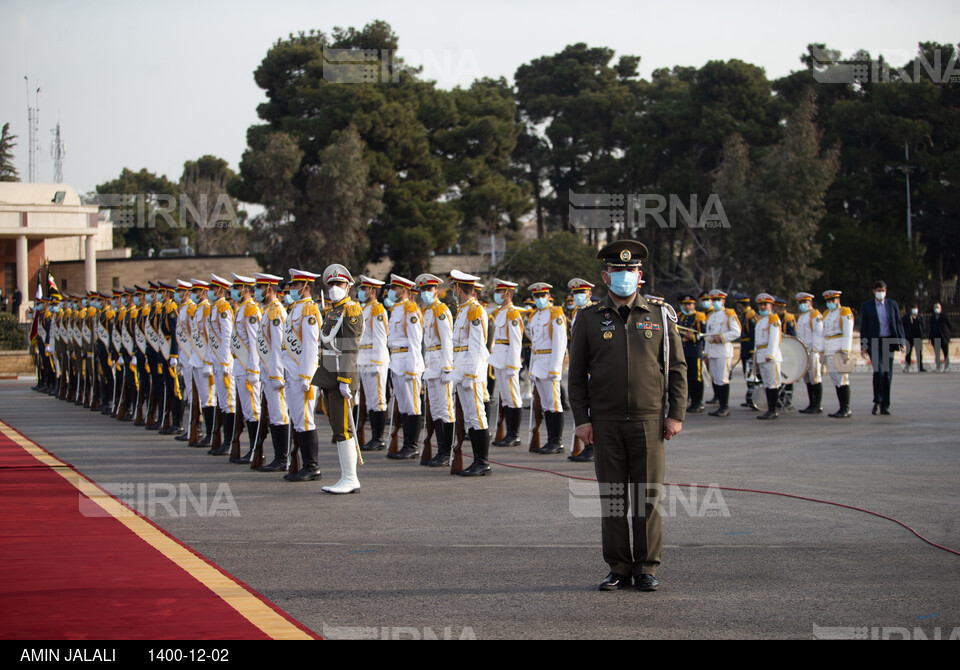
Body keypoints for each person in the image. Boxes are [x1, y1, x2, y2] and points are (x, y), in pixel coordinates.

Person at [568, 240, 686, 593]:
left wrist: (675, 414)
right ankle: (618, 566)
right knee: (614, 496)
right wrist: (582, 420)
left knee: (647, 497)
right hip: (604, 421)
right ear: (606, 276)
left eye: (631, 271)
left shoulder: (660, 315)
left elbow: (677, 368)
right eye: (618, 271)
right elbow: (576, 376)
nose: (625, 276)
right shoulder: (588, 318)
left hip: (650, 420)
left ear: (640, 276)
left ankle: (646, 567)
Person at [315, 264, 364, 495]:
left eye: (339, 284)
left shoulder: (351, 310)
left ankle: (350, 477)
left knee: (344, 428)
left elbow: (350, 347)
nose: (334, 288)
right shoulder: (332, 311)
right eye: (331, 284)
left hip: (341, 377)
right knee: (337, 427)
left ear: (348, 287)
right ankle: (346, 476)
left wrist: (345, 379)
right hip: (329, 374)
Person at [527, 281, 567, 453]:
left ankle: (556, 442)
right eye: (536, 296)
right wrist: (531, 368)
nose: (539, 299)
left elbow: (560, 342)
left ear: (549, 297)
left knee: (554, 403)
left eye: (542, 296)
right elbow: (534, 344)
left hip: (550, 363)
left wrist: (555, 368)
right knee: (545, 404)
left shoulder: (555, 314)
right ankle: (550, 440)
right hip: (538, 364)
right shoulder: (534, 316)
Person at [859, 281, 906, 416]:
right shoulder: (867, 306)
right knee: (878, 372)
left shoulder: (892, 304)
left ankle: (885, 404)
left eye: (883, 290)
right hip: (874, 342)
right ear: (874, 291)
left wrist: (901, 341)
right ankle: (877, 401)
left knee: (887, 374)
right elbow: (864, 327)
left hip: (888, 342)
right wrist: (864, 346)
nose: (881, 293)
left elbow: (897, 323)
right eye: (879, 290)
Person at [704, 289, 741, 417]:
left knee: (723, 379)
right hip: (713, 351)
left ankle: (724, 407)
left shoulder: (729, 314)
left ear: (723, 301)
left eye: (718, 300)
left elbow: (736, 332)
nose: (715, 303)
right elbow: (708, 336)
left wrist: (722, 337)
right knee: (716, 379)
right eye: (713, 300)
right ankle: (720, 405)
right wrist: (707, 353)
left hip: (723, 351)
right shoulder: (711, 316)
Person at [822, 289, 854, 418]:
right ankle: (841, 407)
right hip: (829, 347)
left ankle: (846, 408)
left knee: (842, 379)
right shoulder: (826, 314)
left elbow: (848, 333)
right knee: (835, 379)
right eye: (828, 300)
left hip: (839, 347)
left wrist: (846, 351)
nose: (830, 302)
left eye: (832, 300)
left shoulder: (844, 312)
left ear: (838, 300)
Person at [752, 293, 782, 420]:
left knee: (772, 383)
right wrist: (757, 359)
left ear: (771, 306)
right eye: (761, 305)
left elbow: (774, 338)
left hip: (770, 355)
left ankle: (773, 409)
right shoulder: (761, 320)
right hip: (761, 354)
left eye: (765, 304)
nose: (763, 307)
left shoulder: (773, 319)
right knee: (767, 383)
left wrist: (770, 354)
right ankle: (769, 408)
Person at [795, 292, 824, 414]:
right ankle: (811, 402)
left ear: (810, 303)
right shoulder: (802, 316)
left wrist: (816, 349)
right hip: (803, 350)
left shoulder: (814, 315)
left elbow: (819, 333)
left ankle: (817, 404)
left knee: (815, 377)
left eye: (804, 302)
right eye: (800, 302)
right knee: (807, 378)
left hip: (812, 350)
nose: (802, 305)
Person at [902, 305, 926, 372]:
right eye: (913, 309)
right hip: (910, 337)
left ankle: (920, 367)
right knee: (908, 353)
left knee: (919, 353)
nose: (914, 310)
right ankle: (907, 367)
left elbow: (923, 326)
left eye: (915, 309)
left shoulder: (920, 317)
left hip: (918, 337)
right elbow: (903, 325)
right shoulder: (907, 317)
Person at [929, 303, 952, 372]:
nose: (936, 309)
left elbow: (950, 325)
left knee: (945, 352)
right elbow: (930, 327)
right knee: (937, 353)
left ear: (940, 308)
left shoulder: (944, 316)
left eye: (938, 307)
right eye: (935, 307)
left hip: (943, 337)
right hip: (935, 337)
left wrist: (947, 334)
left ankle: (947, 366)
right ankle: (938, 366)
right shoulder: (932, 317)